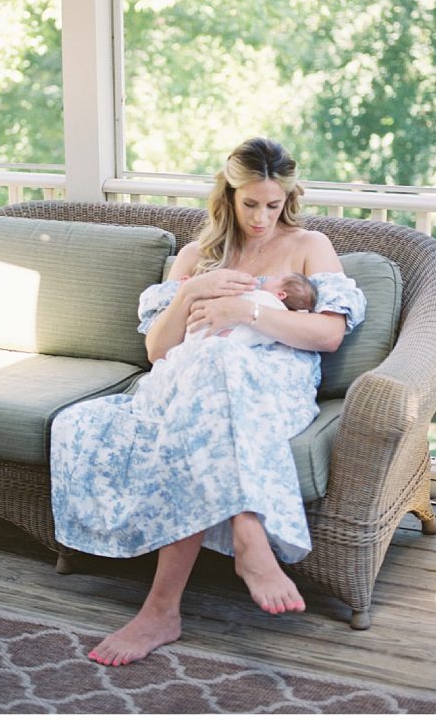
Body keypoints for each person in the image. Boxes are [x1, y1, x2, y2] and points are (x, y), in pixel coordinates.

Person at [50, 137, 366, 667]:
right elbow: (157, 349)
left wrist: (247, 311)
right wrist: (195, 292)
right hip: (187, 377)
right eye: (251, 204)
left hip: (271, 386)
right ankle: (248, 532)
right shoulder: (198, 256)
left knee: (218, 372)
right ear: (228, 194)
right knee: (206, 373)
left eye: (274, 203)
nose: (264, 217)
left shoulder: (311, 245)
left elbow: (327, 336)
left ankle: (160, 610)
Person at [184, 271, 317, 346]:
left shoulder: (262, 297)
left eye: (276, 278)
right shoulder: (282, 321)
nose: (270, 278)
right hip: (233, 342)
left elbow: (226, 297)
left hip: (212, 331)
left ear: (281, 294)